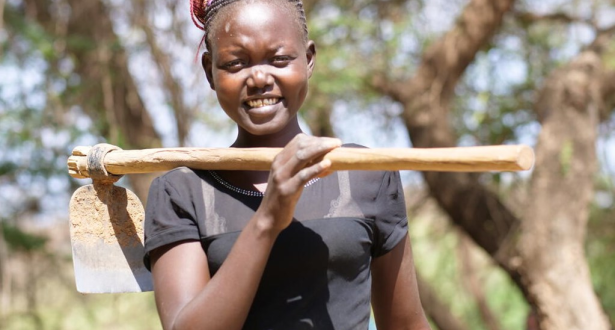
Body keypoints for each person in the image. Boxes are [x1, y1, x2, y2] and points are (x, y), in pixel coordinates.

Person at [143, 0, 431, 329]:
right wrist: (267, 220)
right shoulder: (182, 192)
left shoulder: (363, 173)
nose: (259, 78)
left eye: (279, 59)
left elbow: (405, 324)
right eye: (236, 64)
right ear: (210, 71)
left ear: (308, 60)